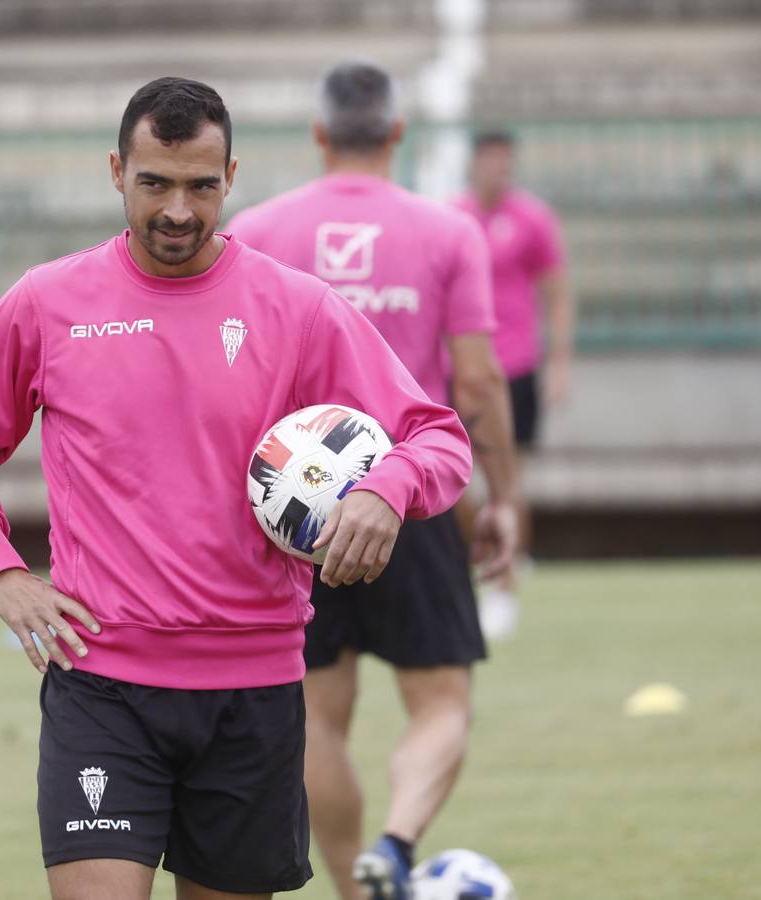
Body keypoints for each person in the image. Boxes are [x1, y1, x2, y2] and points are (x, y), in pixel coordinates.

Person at [0, 77, 473, 900]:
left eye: (200, 186)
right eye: (155, 184)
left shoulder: (297, 307)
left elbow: (438, 435)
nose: (178, 210)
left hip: (254, 689)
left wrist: (386, 487)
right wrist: (0, 571)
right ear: (116, 172)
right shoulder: (47, 302)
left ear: (231, 177)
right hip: (102, 685)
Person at [227, 60, 519, 900]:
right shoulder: (446, 231)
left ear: (319, 135)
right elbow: (473, 383)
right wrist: (503, 497)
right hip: (407, 490)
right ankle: (394, 842)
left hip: (295, 518)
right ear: (397, 133)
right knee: (441, 702)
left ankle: (355, 891)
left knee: (317, 714)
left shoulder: (256, 229)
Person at [451, 129, 573, 639]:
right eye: (491, 162)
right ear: (474, 164)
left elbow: (557, 291)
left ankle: (504, 586)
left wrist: (560, 361)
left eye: (507, 163)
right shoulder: (452, 218)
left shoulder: (532, 219)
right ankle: (480, 558)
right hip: (459, 364)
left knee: (509, 474)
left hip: (515, 365)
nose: (499, 171)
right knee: (454, 478)